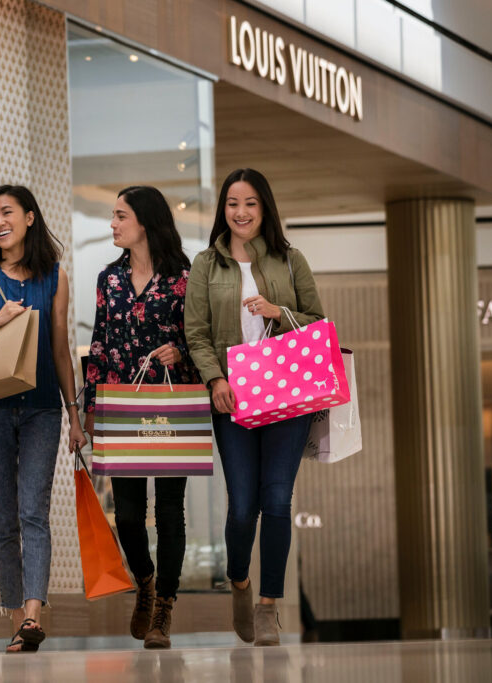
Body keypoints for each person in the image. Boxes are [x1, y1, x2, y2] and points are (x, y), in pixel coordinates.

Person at [0, 185, 87, 653]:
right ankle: (15, 617)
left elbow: (60, 348)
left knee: (33, 513)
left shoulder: (55, 276)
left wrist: (74, 416)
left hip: (43, 409)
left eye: (7, 212)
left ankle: (32, 615)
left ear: (29, 218)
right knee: (3, 518)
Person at [184, 168, 325, 647]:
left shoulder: (290, 259)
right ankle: (240, 581)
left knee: (277, 499)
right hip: (233, 397)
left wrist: (276, 313)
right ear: (223, 209)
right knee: (243, 506)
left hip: (287, 395)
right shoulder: (206, 264)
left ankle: (268, 606)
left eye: (250, 204)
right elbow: (196, 333)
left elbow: (317, 323)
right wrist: (214, 378)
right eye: (232, 204)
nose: (241, 213)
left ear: (264, 208)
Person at [82, 186, 203, 649]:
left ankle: (164, 607)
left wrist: (182, 351)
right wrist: (91, 408)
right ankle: (146, 582)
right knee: (129, 516)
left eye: (120, 216)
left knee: (170, 511)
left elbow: (202, 336)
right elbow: (98, 343)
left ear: (145, 223)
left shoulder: (184, 278)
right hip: (120, 404)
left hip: (172, 403)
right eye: (113, 216)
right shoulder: (108, 280)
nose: (112, 224)